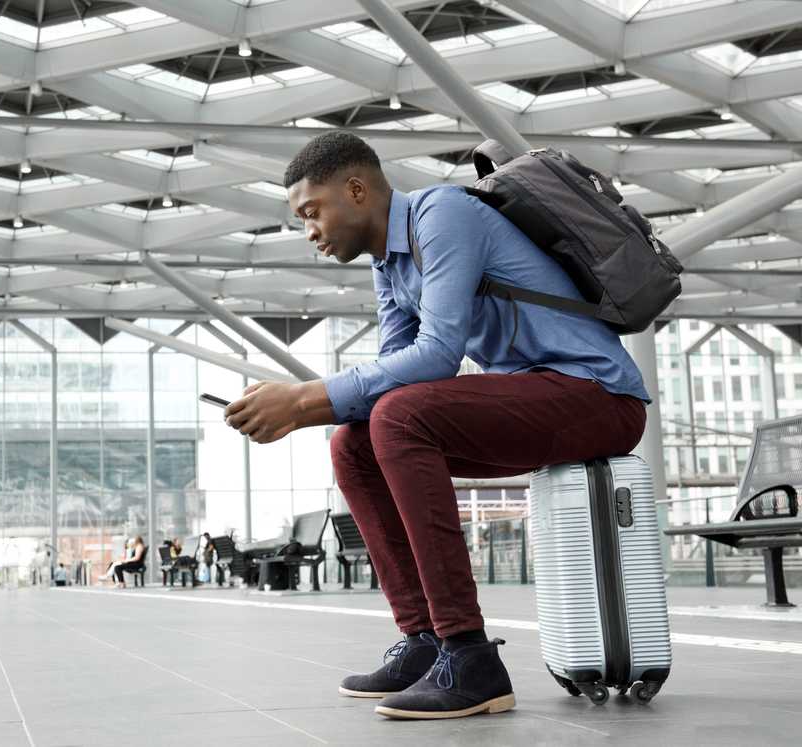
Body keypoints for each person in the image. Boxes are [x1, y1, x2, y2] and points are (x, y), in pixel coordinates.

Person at [223, 131, 648, 720]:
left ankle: (469, 654)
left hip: (598, 396)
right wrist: (307, 412)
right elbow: (395, 374)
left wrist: (300, 402)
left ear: (356, 189)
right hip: (535, 397)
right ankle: (424, 641)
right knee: (355, 440)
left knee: (397, 418)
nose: (310, 232)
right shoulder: (390, 265)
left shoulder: (441, 213)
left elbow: (436, 354)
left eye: (311, 213)